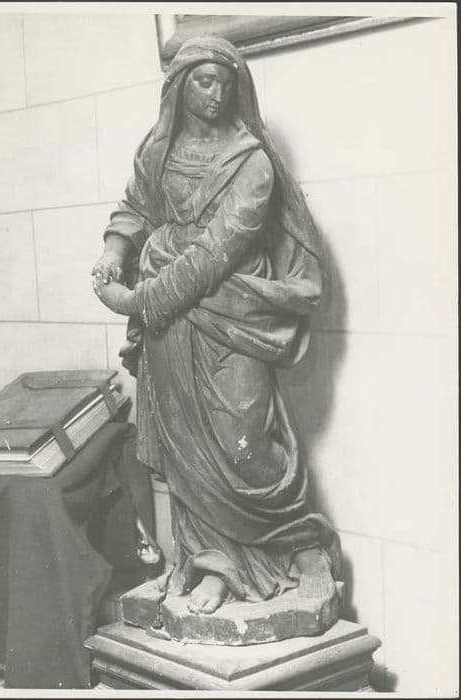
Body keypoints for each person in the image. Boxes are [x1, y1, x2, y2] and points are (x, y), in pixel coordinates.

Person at [92, 35, 340, 615]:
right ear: (180, 87)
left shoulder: (252, 162)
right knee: (185, 448)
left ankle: (303, 547)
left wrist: (136, 301)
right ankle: (213, 566)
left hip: (230, 309)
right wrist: (111, 254)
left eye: (226, 83)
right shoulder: (159, 150)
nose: (216, 93)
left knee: (243, 442)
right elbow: (135, 207)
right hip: (171, 323)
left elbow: (213, 255)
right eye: (204, 81)